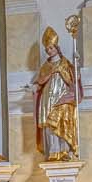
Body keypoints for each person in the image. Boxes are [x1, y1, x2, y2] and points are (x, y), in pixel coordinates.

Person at [32, 24, 79, 161]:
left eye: (51, 48)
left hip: (62, 97)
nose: (49, 51)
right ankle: (53, 151)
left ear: (56, 48)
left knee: (62, 121)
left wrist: (76, 64)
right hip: (48, 99)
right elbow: (40, 82)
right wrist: (35, 86)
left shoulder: (65, 63)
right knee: (49, 124)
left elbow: (73, 79)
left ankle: (64, 151)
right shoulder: (45, 66)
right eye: (47, 49)